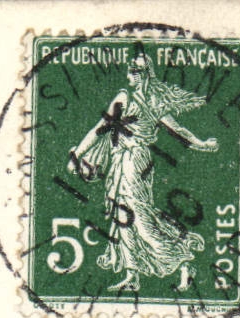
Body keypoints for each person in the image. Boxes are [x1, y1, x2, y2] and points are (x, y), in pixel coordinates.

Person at [68, 53, 218, 293]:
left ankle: (181, 260)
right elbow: (100, 128)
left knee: (138, 216)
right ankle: (132, 274)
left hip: (136, 161)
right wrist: (78, 154)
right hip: (120, 160)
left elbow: (178, 131)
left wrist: (203, 145)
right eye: (131, 69)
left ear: (145, 75)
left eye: (135, 70)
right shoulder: (124, 98)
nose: (130, 74)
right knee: (121, 215)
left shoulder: (153, 102)